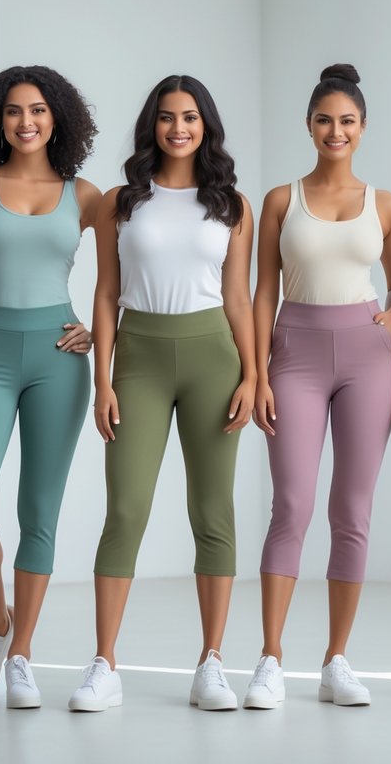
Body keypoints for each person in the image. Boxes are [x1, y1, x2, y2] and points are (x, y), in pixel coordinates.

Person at [67, 75, 255, 712]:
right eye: (168, 117)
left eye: (191, 117)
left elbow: (238, 298)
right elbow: (104, 292)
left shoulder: (231, 204)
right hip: (139, 358)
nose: (179, 128)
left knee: (213, 511)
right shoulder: (120, 201)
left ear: (206, 126)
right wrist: (102, 378)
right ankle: (104, 663)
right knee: (126, 509)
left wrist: (253, 376)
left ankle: (212, 663)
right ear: (152, 124)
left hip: (214, 358)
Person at [245, 64, 391, 709]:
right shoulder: (280, 201)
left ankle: (336, 659)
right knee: (291, 505)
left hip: (367, 358)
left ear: (363, 128)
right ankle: (270, 657)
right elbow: (263, 291)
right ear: (308, 126)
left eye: (347, 121)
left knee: (353, 510)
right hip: (295, 353)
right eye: (324, 121)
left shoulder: (385, 205)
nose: (335, 131)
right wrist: (258, 370)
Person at [0, 66, 98, 708]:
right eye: (13, 111)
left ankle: (22, 654)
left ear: (57, 118)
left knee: (39, 511)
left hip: (58, 358)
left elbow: (126, 278)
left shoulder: (85, 195)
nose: (25, 121)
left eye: (37, 110)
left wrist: (98, 329)